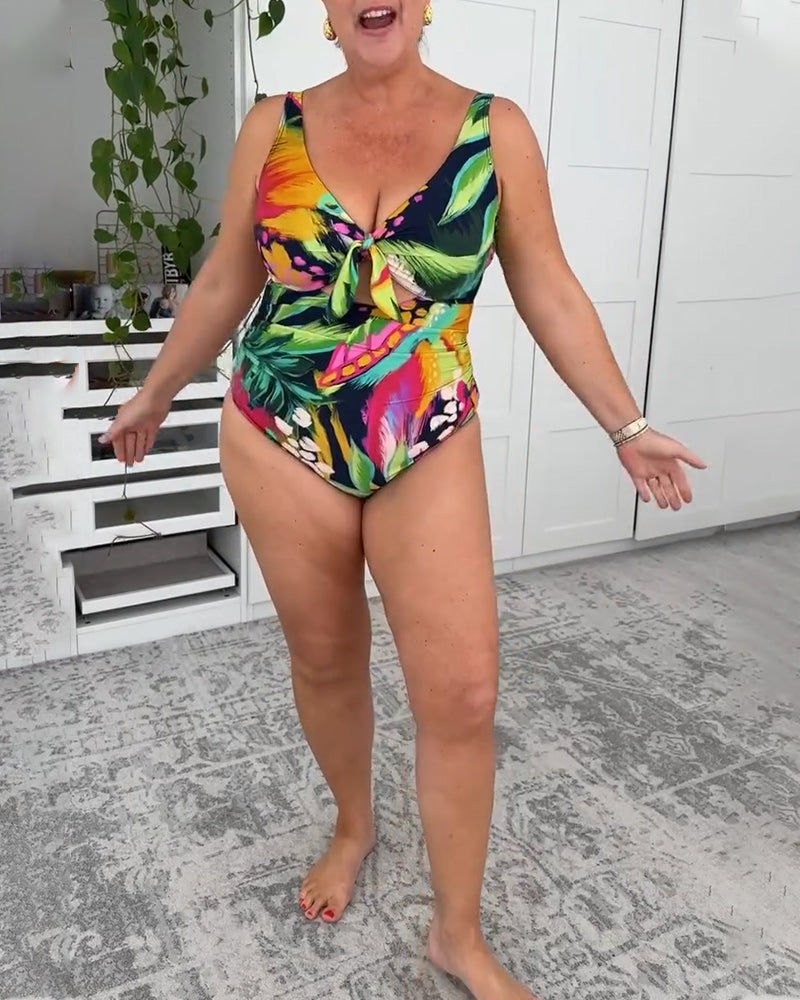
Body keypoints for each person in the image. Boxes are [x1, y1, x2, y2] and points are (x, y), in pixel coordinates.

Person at [99, 3, 706, 997]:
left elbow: (547, 284)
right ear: (329, 12)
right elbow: (225, 279)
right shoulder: (275, 123)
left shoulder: (494, 129)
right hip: (280, 427)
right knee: (326, 656)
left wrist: (625, 425)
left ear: (424, 5)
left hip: (422, 427)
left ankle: (455, 934)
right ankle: (353, 825)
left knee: (462, 693)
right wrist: (155, 393)